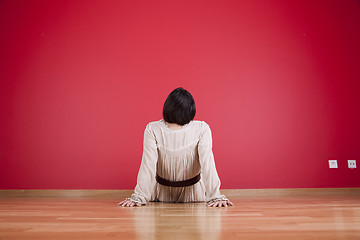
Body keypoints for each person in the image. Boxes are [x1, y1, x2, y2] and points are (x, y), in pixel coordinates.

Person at [119, 87, 234, 207]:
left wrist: (139, 196)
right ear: (191, 109)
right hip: (194, 196)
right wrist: (215, 196)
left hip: (161, 195)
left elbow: (148, 165)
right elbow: (208, 163)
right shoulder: (201, 128)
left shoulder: (152, 129)